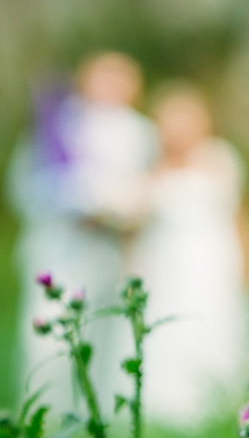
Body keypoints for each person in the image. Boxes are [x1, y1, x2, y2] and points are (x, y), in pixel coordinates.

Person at [9, 52, 159, 415]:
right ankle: (45, 410)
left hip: (110, 251)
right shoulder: (59, 124)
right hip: (61, 249)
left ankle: (100, 415)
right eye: (103, 76)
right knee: (49, 336)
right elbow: (28, 184)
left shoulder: (141, 132)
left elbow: (147, 188)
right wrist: (76, 206)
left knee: (106, 334)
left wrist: (122, 214)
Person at [129, 82, 249, 427]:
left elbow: (239, 217)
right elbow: (134, 228)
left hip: (214, 260)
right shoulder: (150, 169)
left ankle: (221, 402)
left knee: (216, 325)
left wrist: (247, 265)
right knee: (170, 332)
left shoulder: (221, 158)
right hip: (167, 265)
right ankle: (170, 411)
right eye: (170, 124)